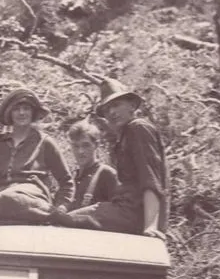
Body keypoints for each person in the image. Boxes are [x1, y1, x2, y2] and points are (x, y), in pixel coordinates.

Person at [55, 78, 168, 237]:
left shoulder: (138, 128)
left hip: (133, 215)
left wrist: (151, 226)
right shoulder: (123, 137)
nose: (112, 113)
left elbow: (151, 180)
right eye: (107, 109)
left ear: (132, 105)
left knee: (63, 223)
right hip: (122, 210)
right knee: (62, 219)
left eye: (116, 105)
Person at [0, 87, 74, 225]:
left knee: (13, 198)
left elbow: (67, 182)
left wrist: (61, 208)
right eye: (16, 109)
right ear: (9, 113)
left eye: (26, 108)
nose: (21, 113)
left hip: (31, 198)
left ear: (33, 112)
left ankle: (49, 216)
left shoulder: (45, 142)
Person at [68, 119, 117, 209]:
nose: (80, 151)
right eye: (76, 146)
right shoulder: (70, 177)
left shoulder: (106, 174)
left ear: (96, 145)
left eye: (86, 145)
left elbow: (119, 211)